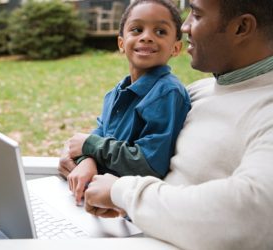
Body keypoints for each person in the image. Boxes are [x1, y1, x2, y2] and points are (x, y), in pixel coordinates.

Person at [84, 0, 273, 249]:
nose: (184, 26)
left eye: (195, 14)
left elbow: (251, 214)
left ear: (241, 27)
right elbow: (119, 138)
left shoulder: (265, 108)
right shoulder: (199, 92)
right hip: (123, 229)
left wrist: (122, 192)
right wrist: (85, 158)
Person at [59, 0, 190, 205]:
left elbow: (149, 164)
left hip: (123, 209)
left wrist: (89, 146)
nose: (146, 37)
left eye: (160, 32)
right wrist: (86, 161)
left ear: (176, 48)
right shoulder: (116, 93)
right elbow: (97, 137)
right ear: (121, 43)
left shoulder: (167, 93)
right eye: (137, 29)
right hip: (91, 195)